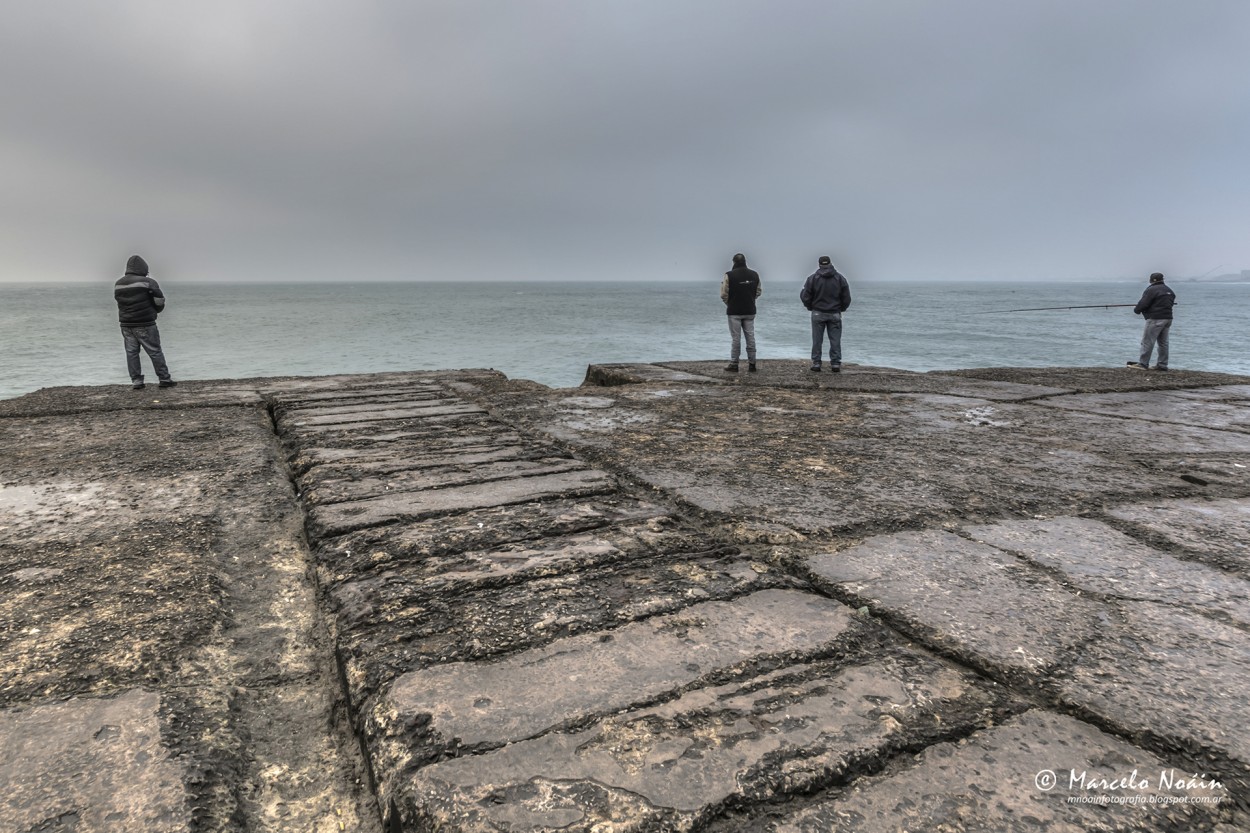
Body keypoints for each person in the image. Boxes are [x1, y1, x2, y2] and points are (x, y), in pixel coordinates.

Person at [114, 254, 176, 389]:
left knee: (131, 353)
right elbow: (159, 301)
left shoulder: (118, 283)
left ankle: (137, 381)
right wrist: (156, 310)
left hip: (125, 324)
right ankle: (164, 379)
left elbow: (119, 301)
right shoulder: (149, 282)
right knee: (154, 351)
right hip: (145, 323)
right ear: (144, 268)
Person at [800, 255, 852, 372]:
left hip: (818, 312)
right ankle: (835, 363)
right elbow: (846, 298)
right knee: (835, 339)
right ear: (830, 263)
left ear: (819, 265)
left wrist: (810, 307)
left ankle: (817, 363)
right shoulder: (840, 278)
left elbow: (805, 296)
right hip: (834, 313)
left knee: (817, 339)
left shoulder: (812, 279)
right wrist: (841, 309)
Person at [720, 253, 762, 372]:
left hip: (734, 311)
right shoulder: (754, 274)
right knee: (750, 337)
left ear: (734, 262)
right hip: (750, 310)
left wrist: (730, 303)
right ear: (745, 261)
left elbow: (723, 294)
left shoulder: (729, 275)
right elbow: (758, 291)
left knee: (736, 338)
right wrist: (750, 299)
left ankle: (734, 364)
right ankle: (752, 363)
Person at [1127, 272, 1175, 371]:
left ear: (1151, 280)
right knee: (1163, 343)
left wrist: (1137, 310)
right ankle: (1162, 365)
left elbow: (1144, 303)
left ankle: (1143, 364)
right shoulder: (1169, 290)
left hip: (1155, 319)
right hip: (1168, 319)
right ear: (1162, 279)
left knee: (1147, 341)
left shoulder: (1151, 289)